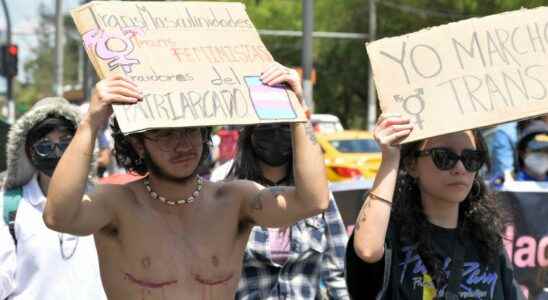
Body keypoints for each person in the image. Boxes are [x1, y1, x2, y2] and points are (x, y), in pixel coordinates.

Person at [43, 62, 330, 299]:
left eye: (189, 131)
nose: (182, 145)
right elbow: (59, 216)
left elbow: (313, 200)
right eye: (165, 134)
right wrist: (91, 122)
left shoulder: (234, 200)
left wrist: (297, 113)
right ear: (139, 145)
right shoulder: (117, 205)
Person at [345, 114, 524, 299]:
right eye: (444, 157)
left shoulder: (488, 241)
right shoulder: (391, 236)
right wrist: (390, 158)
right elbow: (367, 251)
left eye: (471, 158)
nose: (460, 168)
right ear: (411, 164)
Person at [224, 124, 349, 299]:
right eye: (268, 128)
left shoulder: (318, 195)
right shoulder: (229, 194)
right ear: (249, 133)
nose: (276, 135)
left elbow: (338, 272)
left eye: (284, 126)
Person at [0, 97, 106, 299]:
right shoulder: (10, 205)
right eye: (45, 146)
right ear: (29, 151)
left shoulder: (102, 201)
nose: (56, 153)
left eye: (66, 144)